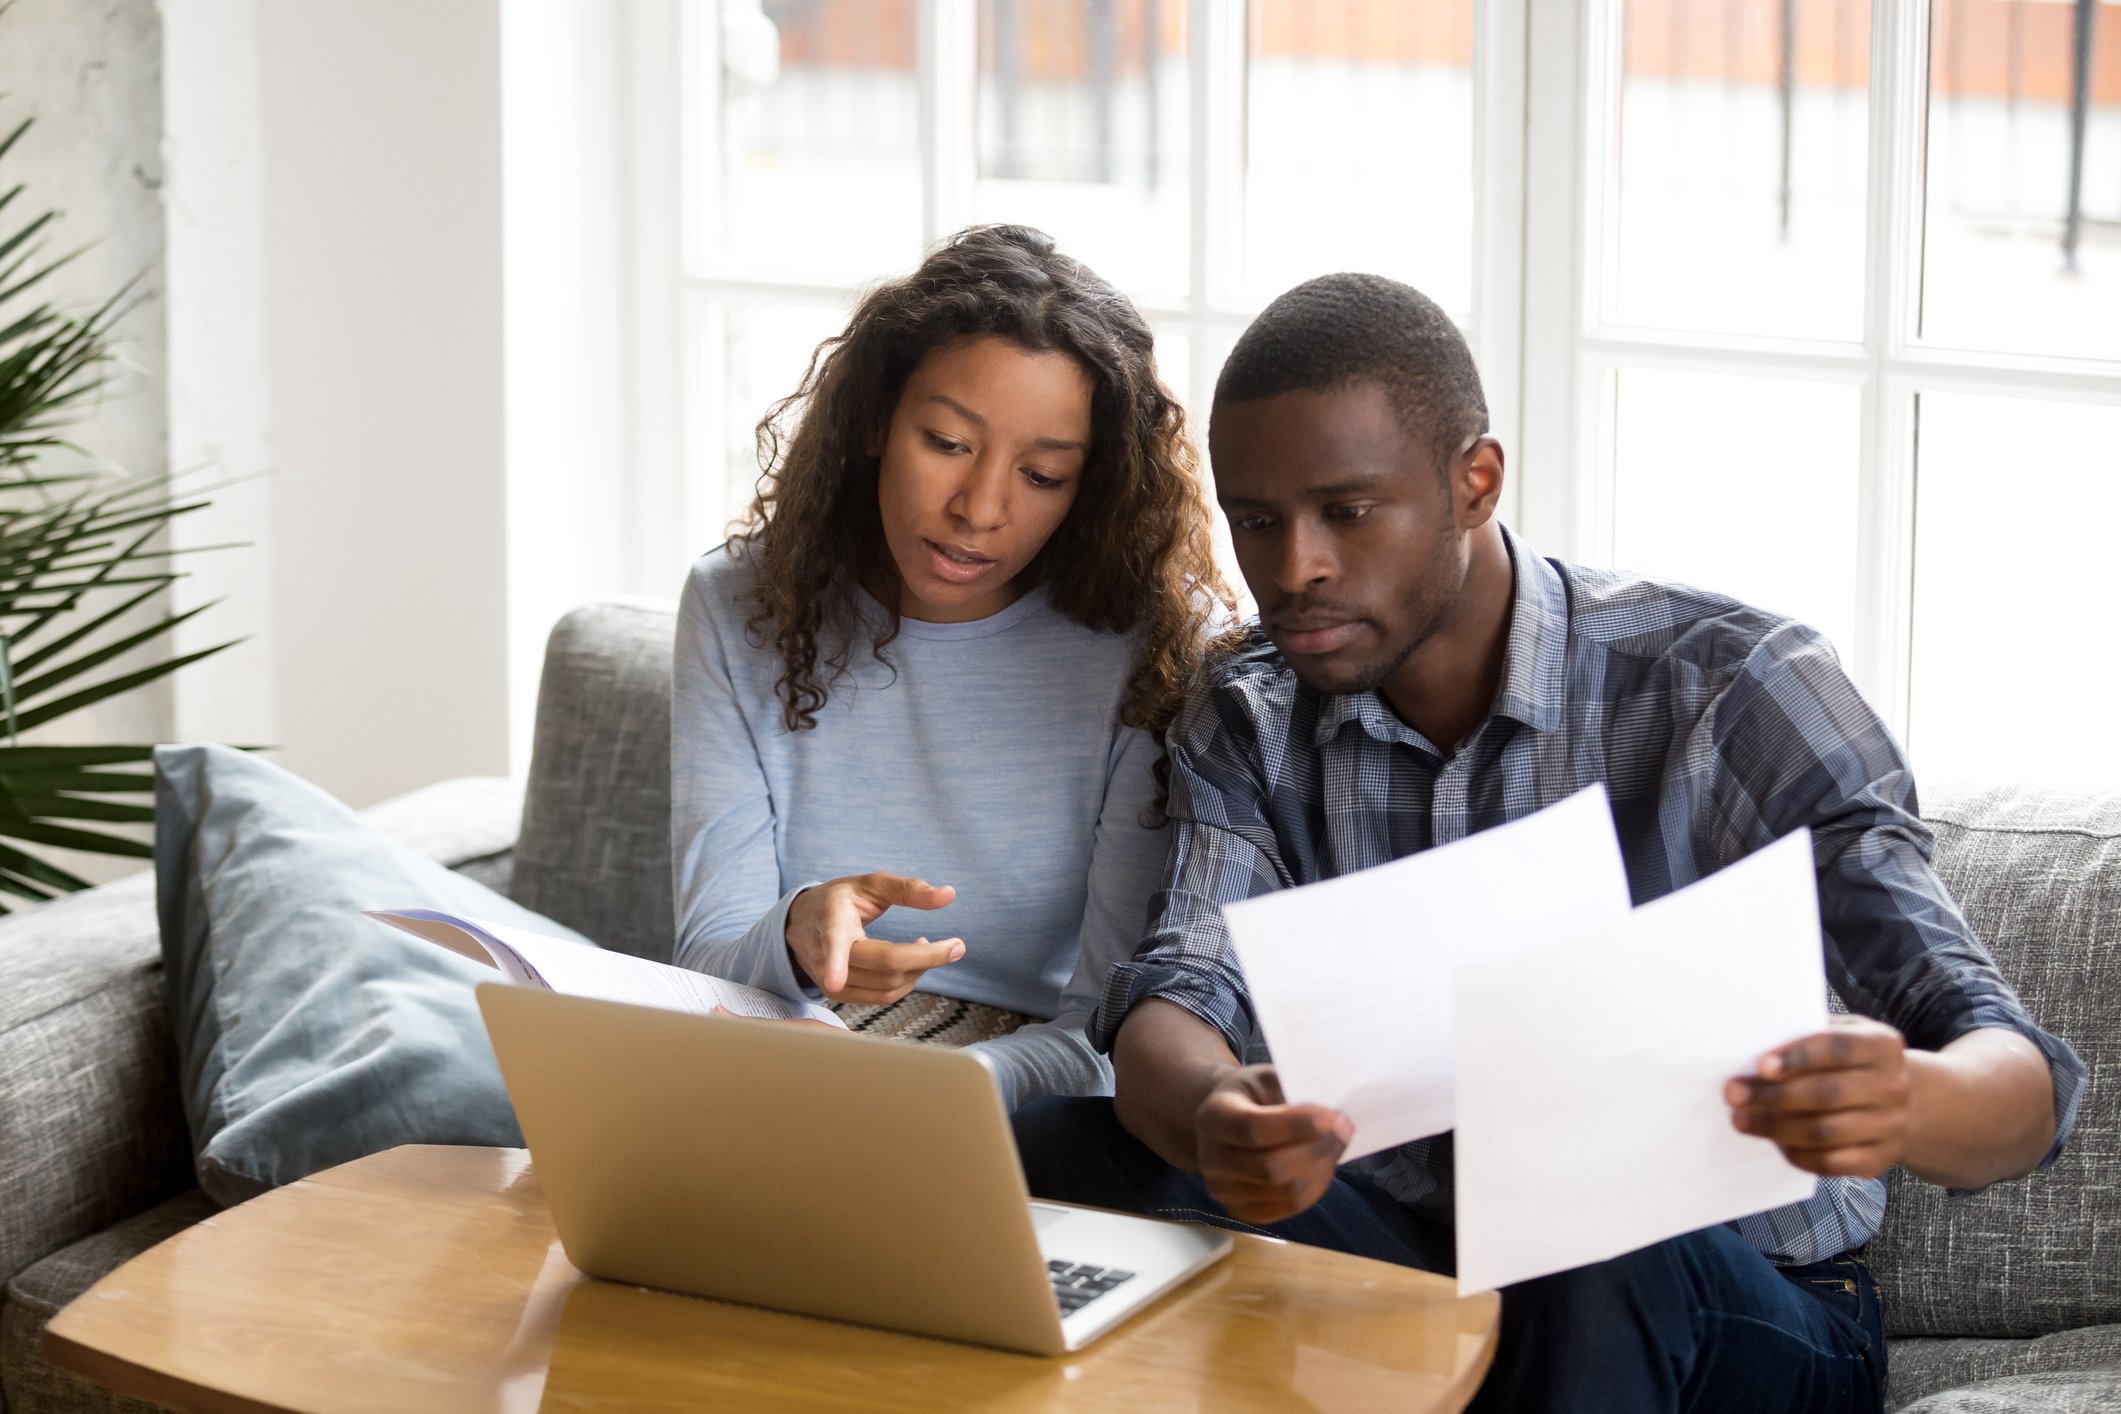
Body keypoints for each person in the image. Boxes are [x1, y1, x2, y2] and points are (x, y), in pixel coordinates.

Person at [1010, 273, 2085, 1412]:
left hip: (1737, 1299)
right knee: (1055, 1150)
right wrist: (1219, 1115)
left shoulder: (1731, 689)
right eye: (1257, 520)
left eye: (1348, 511)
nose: (1293, 568)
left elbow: (2017, 1080)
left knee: (1582, 1220)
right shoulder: (1253, 711)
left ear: (1475, 482)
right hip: (1426, 1262)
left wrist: (1909, 1099)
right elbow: (1182, 991)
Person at [670, 224, 1229, 1110]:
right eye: (946, 442)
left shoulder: (1151, 645)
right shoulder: (738, 603)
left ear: (1092, 489)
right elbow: (706, 965)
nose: (979, 509)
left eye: (1043, 476)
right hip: (786, 1048)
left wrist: (940, 1092)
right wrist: (796, 930)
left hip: (1028, 1089)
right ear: (873, 423)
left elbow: (1111, 1030)